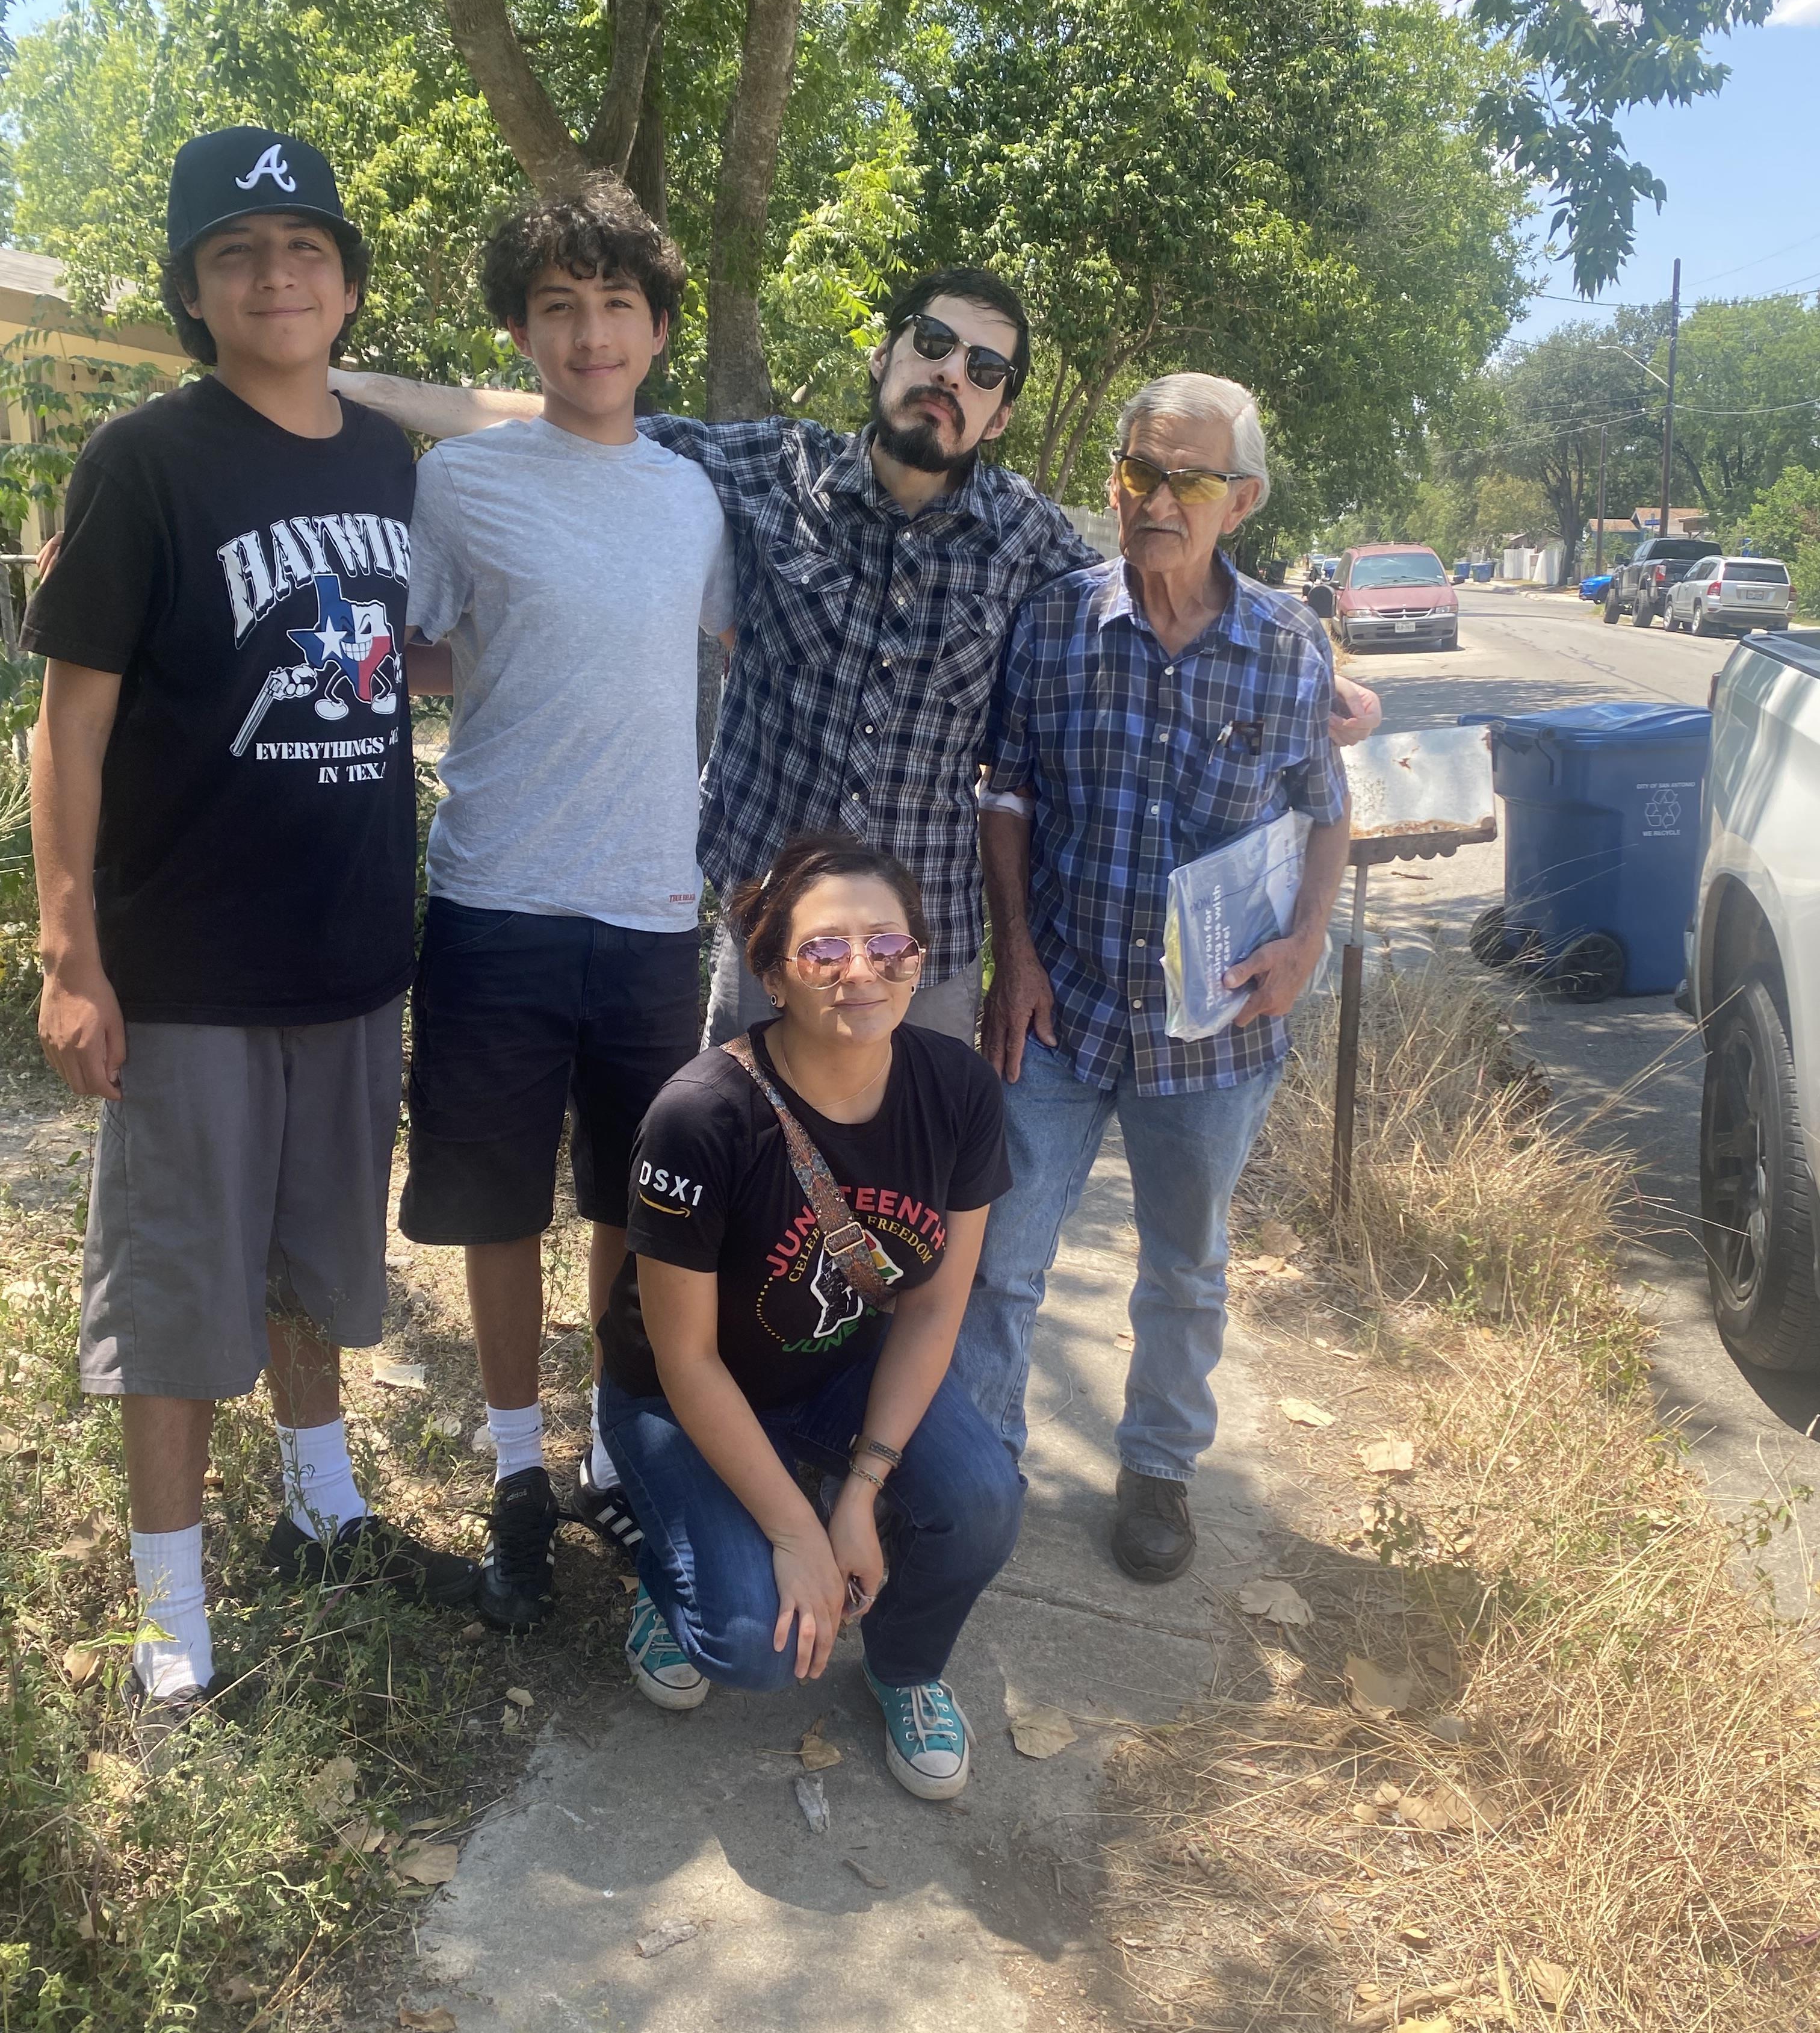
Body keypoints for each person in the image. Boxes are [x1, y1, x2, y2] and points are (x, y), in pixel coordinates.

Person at [333, 273, 1384, 1055]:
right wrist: (326, 380)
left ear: (1000, 415)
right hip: (765, 924)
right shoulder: (762, 468)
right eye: (933, 343)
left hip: (919, 944)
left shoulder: (1027, 540)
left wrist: (1315, 676)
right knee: (738, 1206)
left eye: (985, 371)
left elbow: (1153, 594)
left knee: (896, 1226)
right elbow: (579, 423)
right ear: (883, 358)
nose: (951, 375)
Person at [25, 126, 477, 1755]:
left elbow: (387, 662)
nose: (274, 274)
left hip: (353, 950)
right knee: (175, 1295)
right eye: (236, 253)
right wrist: (72, 956)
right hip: (189, 962)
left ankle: (325, 1500)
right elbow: (65, 728)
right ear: (194, 290)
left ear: (347, 283)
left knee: (310, 1260)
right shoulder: (146, 461)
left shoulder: (385, 463)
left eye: (303, 247)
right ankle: (170, 1609)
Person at [396, 176, 733, 1632]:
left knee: (628, 1203)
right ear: (522, 333)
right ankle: (514, 1478)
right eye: (557, 308)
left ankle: (608, 1453)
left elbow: (703, 652)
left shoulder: (698, 493)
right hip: (494, 900)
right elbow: (416, 660)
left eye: (614, 305)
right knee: (495, 1210)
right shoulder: (461, 483)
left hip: (658, 912)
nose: (589, 333)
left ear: (656, 329)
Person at [954, 373, 1351, 1584]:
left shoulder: (1287, 646)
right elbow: (1007, 791)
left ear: (1243, 501)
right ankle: (980, 1474)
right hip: (1060, 1008)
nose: (1156, 500)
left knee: (1184, 1267)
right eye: (1138, 472)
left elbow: (1323, 808)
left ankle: (1161, 1471)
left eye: (1187, 480)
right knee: (1003, 1261)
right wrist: (1011, 955)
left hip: (1214, 1032)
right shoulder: (1055, 623)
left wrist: (1305, 944)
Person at [594, 834, 1021, 1801]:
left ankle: (907, 1668)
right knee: (751, 1647)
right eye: (825, 951)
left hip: (838, 1372)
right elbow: (686, 1358)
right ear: (773, 975)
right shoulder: (700, 1118)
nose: (860, 971)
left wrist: (859, 1495)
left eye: (887, 945)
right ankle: (668, 1567)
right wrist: (797, 1533)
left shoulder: (958, 1093)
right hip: (682, 1397)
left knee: (984, 1501)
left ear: (921, 959)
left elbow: (935, 1304)